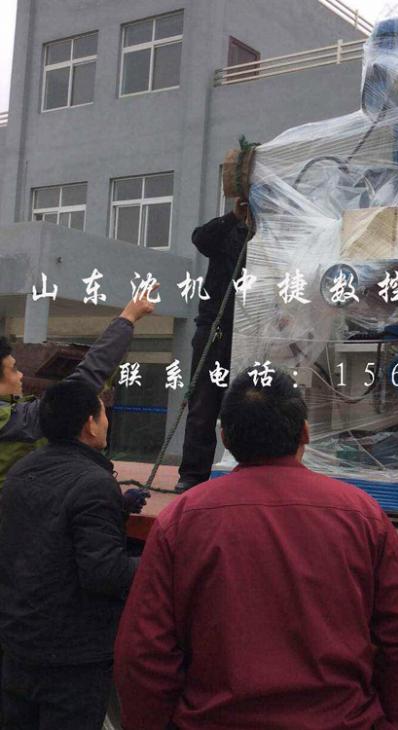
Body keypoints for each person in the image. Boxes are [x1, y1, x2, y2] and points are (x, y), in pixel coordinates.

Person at [115, 368, 398, 730]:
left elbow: (142, 654)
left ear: (224, 437)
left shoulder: (181, 521)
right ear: (305, 432)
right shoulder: (361, 516)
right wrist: (381, 717)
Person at [0, 380, 141, 729]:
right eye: (103, 413)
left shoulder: (20, 472)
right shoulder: (94, 482)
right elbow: (104, 574)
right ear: (90, 424)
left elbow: (47, 531)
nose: (107, 420)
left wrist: (116, 510)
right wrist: (159, 561)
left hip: (18, 646)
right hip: (72, 660)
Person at [0, 295, 155, 495]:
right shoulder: (14, 419)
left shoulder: (17, 416)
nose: (20, 375)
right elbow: (77, 390)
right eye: (13, 370)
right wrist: (127, 319)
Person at [175, 198, 250, 492]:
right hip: (216, 329)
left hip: (254, 332)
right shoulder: (230, 231)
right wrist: (234, 216)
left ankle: (247, 473)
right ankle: (193, 474)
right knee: (203, 403)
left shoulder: (273, 238)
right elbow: (201, 239)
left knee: (250, 403)